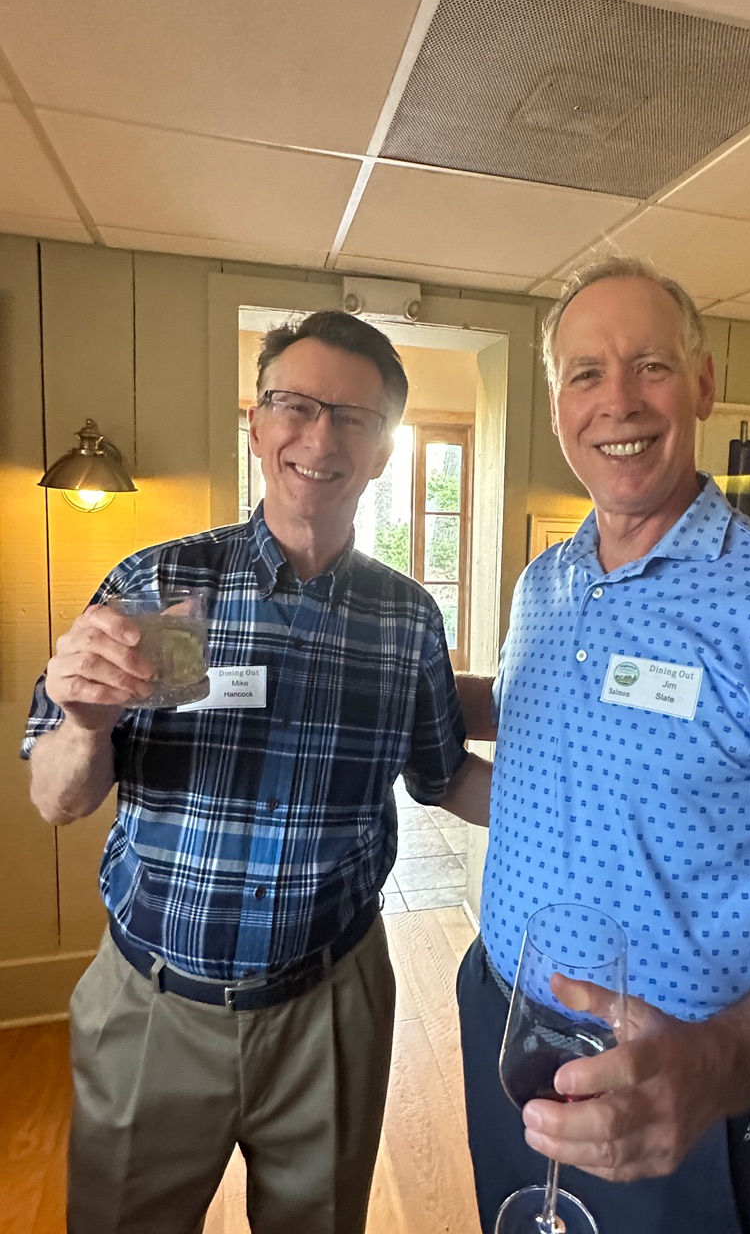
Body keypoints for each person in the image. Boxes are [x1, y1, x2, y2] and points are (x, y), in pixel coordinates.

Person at [454, 257, 750, 1234]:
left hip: (676, 1085)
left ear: (703, 383)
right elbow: (539, 741)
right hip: (500, 1022)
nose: (619, 400)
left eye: (651, 365)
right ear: (558, 404)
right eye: (586, 373)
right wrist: (393, 703)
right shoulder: (544, 586)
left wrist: (715, 1067)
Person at [22, 309, 485, 1234]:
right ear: (258, 424)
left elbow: (444, 778)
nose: (320, 437)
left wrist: (602, 819)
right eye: (295, 405)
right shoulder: (164, 588)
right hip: (153, 1007)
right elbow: (59, 799)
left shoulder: (406, 621)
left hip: (333, 1008)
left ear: (383, 451)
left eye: (353, 417)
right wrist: (83, 723)